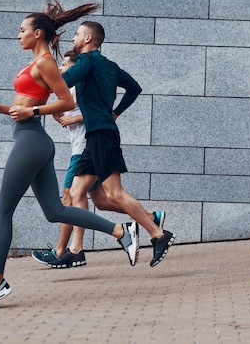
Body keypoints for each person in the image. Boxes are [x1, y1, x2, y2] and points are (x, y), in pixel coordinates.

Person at [0, 0, 139, 311]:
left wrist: (33, 110)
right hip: (31, 138)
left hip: (31, 142)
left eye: (22, 31)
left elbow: (64, 102)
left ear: (37, 34)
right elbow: (23, 108)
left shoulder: (46, 61)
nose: (18, 35)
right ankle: (120, 230)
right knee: (54, 210)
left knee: (1, 212)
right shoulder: (36, 61)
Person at [31, 51, 166, 268]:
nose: (62, 68)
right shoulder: (93, 74)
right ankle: (149, 219)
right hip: (89, 144)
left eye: (66, 64)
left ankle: (67, 250)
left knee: (76, 197)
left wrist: (34, 108)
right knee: (99, 201)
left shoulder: (86, 67)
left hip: (91, 143)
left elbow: (88, 105)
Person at [60, 21, 175, 268]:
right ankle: (76, 249)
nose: (73, 39)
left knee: (114, 193)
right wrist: (116, 112)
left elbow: (65, 81)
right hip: (96, 135)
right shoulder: (109, 66)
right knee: (79, 194)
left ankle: (157, 234)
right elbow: (134, 88)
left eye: (77, 34)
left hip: (102, 135)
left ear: (89, 38)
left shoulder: (87, 61)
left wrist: (43, 72)